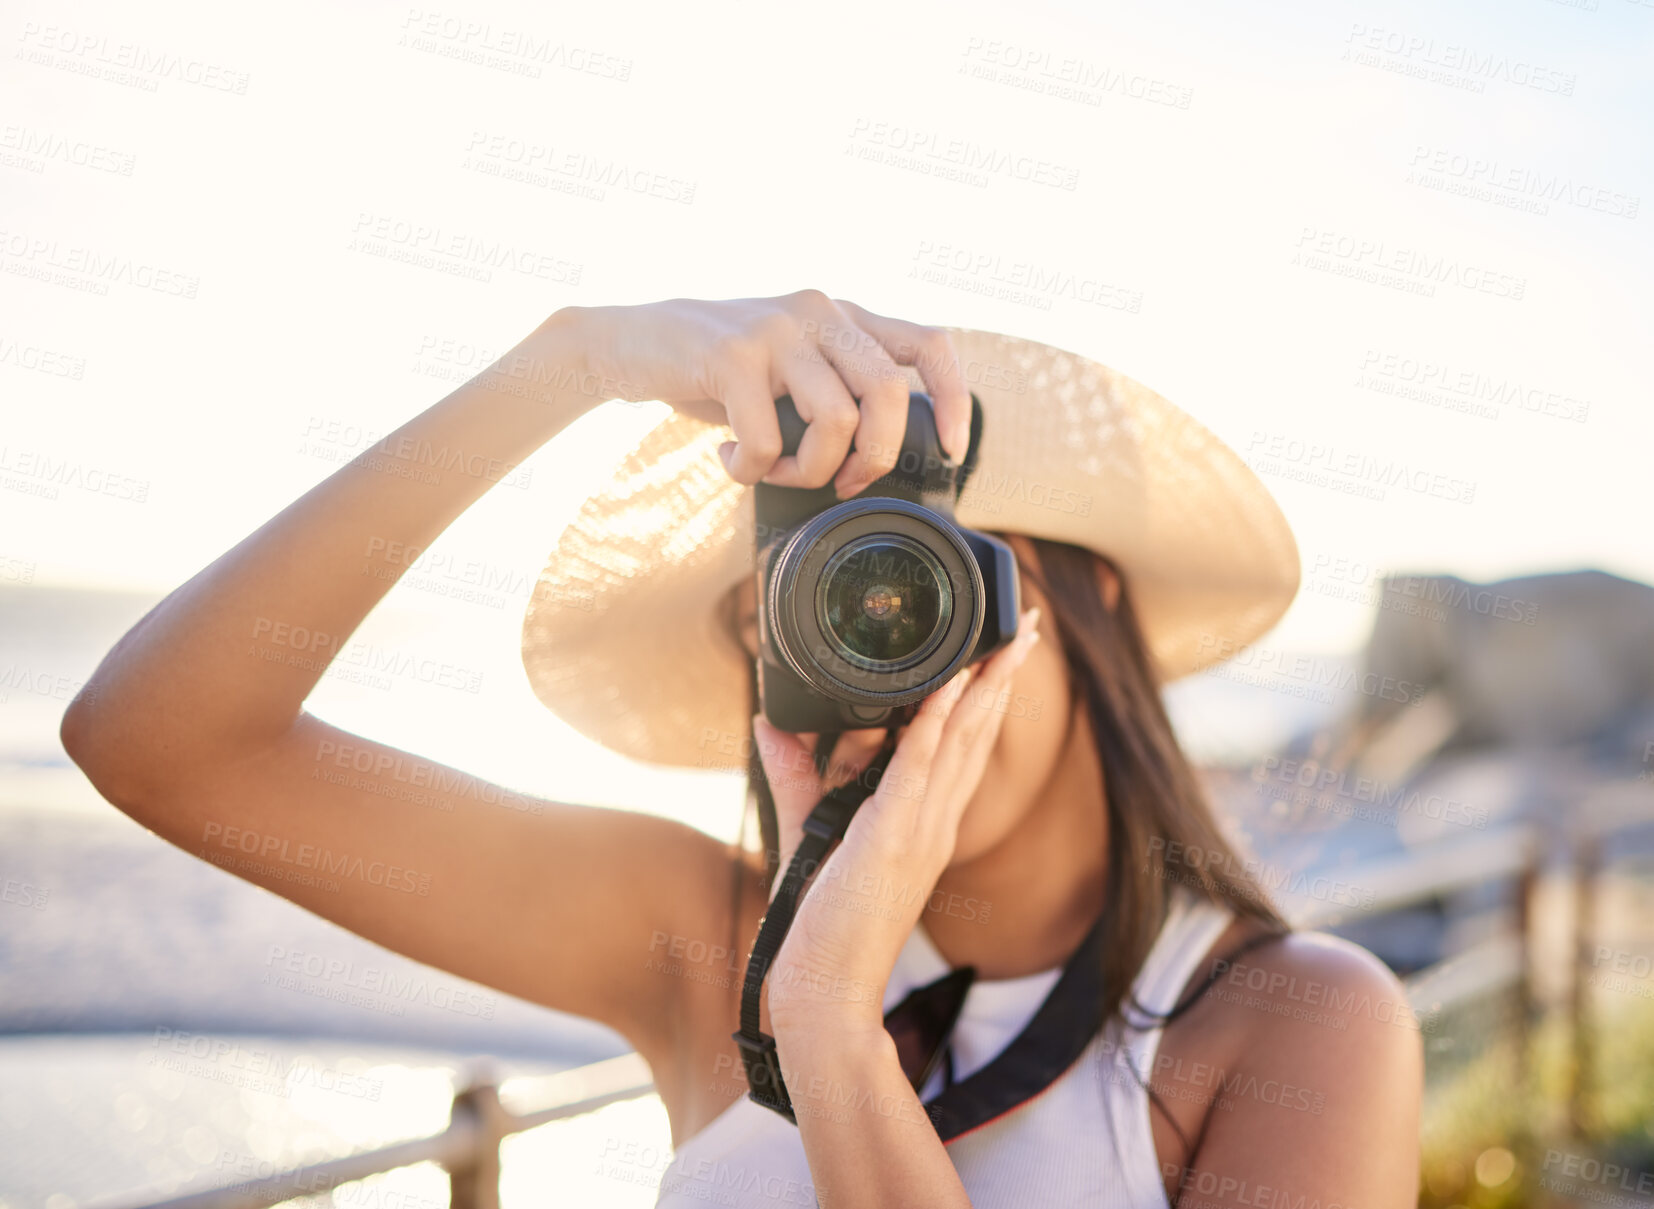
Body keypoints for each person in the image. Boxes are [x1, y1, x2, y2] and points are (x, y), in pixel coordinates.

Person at [61, 290, 1423, 1208]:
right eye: (816, 608)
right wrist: (570, 361)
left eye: (922, 578)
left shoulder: (1290, 1023)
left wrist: (829, 1024)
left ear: (1083, 600)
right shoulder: (703, 936)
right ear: (752, 661)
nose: (881, 652)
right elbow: (161, 740)